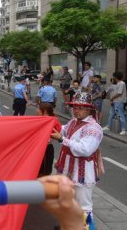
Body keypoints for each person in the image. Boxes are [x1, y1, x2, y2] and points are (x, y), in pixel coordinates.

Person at [51, 92, 103, 227]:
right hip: (68, 170)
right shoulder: (73, 122)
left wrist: (62, 139)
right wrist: (51, 124)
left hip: (83, 174)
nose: (76, 110)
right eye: (75, 107)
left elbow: (85, 149)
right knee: (67, 203)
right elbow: (63, 130)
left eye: (80, 108)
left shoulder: (93, 128)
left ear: (89, 109)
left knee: (83, 207)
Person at [37, 102, 61, 177]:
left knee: (43, 173)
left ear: (44, 111)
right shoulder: (41, 119)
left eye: (38, 108)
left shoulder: (52, 121)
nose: (37, 110)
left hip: (45, 150)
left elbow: (57, 132)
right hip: (40, 148)